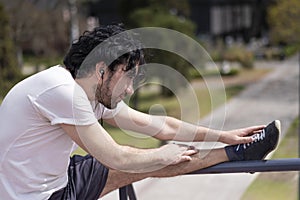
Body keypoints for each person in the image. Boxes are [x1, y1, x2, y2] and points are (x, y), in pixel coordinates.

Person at [0, 23, 280, 200]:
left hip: (58, 178)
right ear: (102, 70)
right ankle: (240, 154)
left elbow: (161, 127)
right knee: (135, 160)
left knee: (140, 158)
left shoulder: (88, 91)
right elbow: (114, 156)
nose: (130, 89)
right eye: (128, 77)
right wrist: (162, 154)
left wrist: (224, 135)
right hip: (35, 196)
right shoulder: (61, 92)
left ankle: (239, 150)